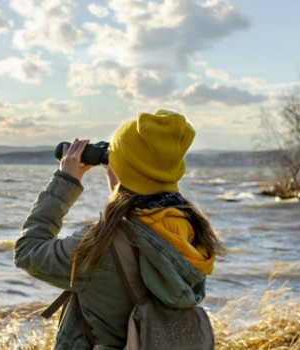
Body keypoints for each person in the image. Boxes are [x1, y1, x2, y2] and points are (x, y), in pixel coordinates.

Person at [14, 110, 227, 349]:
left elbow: (27, 251)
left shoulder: (98, 245)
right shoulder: (191, 231)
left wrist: (65, 182)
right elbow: (139, 233)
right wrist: (122, 181)